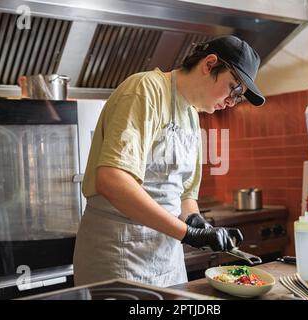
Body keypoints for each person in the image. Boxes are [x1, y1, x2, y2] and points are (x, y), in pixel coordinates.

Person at [73, 35, 265, 287]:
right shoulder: (145, 90)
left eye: (238, 96)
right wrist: (188, 233)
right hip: (120, 251)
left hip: (167, 258)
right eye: (235, 88)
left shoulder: (192, 117)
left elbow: (185, 195)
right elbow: (112, 180)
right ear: (209, 64)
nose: (232, 101)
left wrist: (197, 223)